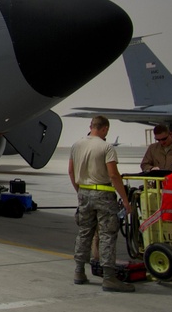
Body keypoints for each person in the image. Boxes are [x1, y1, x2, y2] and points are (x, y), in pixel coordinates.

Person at [68, 116, 134, 292]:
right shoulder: (106, 147)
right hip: (103, 194)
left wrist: (80, 192)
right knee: (107, 235)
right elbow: (113, 175)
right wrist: (125, 200)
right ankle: (109, 278)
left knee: (84, 233)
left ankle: (79, 272)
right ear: (105, 129)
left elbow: (71, 171)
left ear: (91, 126)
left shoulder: (76, 145)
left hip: (84, 192)